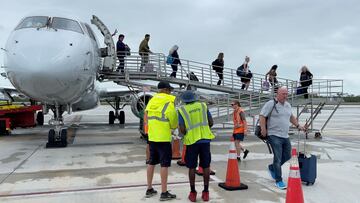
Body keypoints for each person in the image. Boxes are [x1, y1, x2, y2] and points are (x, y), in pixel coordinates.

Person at [259, 87, 306, 190]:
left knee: (287, 155)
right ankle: (278, 180)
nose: (285, 95)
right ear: (278, 94)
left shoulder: (288, 105)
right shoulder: (271, 104)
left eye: (286, 94)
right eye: (283, 93)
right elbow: (262, 116)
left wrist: (299, 126)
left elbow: (291, 117)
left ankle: (272, 168)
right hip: (273, 134)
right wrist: (263, 129)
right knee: (278, 157)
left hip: (285, 135)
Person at [178, 90, 215, 202]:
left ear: (184, 100)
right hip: (205, 140)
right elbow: (211, 122)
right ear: (195, 97)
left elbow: (182, 129)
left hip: (192, 142)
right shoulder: (203, 106)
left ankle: (193, 193)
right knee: (206, 166)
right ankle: (206, 192)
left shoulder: (182, 110)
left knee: (192, 167)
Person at [145, 81, 178, 201]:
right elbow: (173, 118)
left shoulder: (152, 100)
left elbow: (146, 115)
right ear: (166, 89)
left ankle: (149, 189)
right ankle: (164, 192)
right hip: (163, 137)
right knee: (164, 164)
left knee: (151, 162)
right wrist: (173, 127)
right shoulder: (169, 101)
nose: (170, 91)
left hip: (152, 136)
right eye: (169, 89)